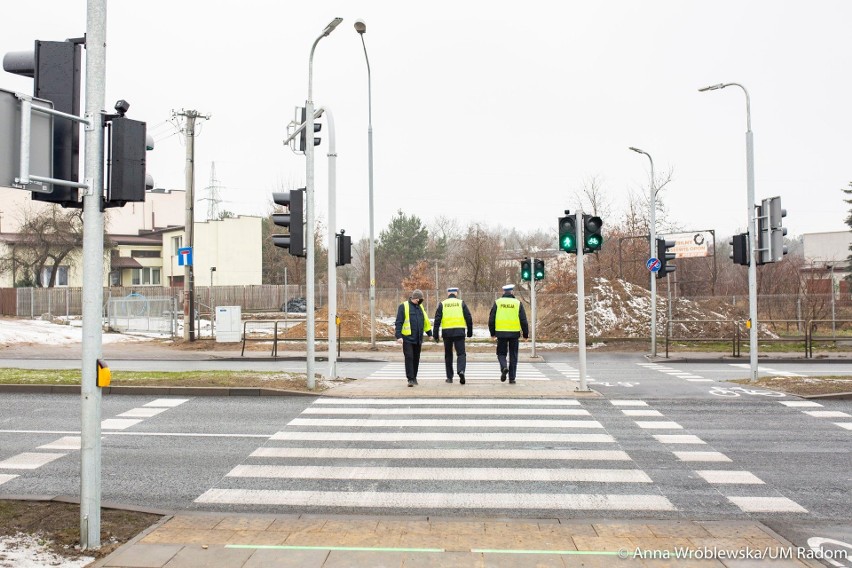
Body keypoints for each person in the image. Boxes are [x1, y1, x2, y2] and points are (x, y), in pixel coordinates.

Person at [488, 283, 529, 384]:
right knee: (513, 355)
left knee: (501, 353)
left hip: (501, 333)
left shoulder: (497, 302)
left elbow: (491, 319)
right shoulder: (517, 303)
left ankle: (504, 367)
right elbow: (523, 320)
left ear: (503, 292)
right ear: (512, 292)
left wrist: (492, 333)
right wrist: (525, 334)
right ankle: (512, 378)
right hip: (514, 333)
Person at [433, 287, 474, 385]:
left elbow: (437, 320)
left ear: (448, 294)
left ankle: (449, 377)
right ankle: (461, 371)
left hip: (447, 333)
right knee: (461, 354)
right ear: (456, 293)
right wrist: (470, 331)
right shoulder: (461, 303)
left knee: (448, 355)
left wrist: (435, 334)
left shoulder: (442, 304)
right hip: (459, 332)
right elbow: (468, 317)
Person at [395, 289, 432, 387]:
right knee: (409, 357)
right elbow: (399, 322)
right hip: (407, 338)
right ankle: (410, 379)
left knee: (416, 358)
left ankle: (414, 377)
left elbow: (425, 321)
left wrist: (429, 333)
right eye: (419, 300)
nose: (419, 302)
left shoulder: (420, 307)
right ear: (415, 298)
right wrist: (398, 336)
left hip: (418, 338)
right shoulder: (403, 306)